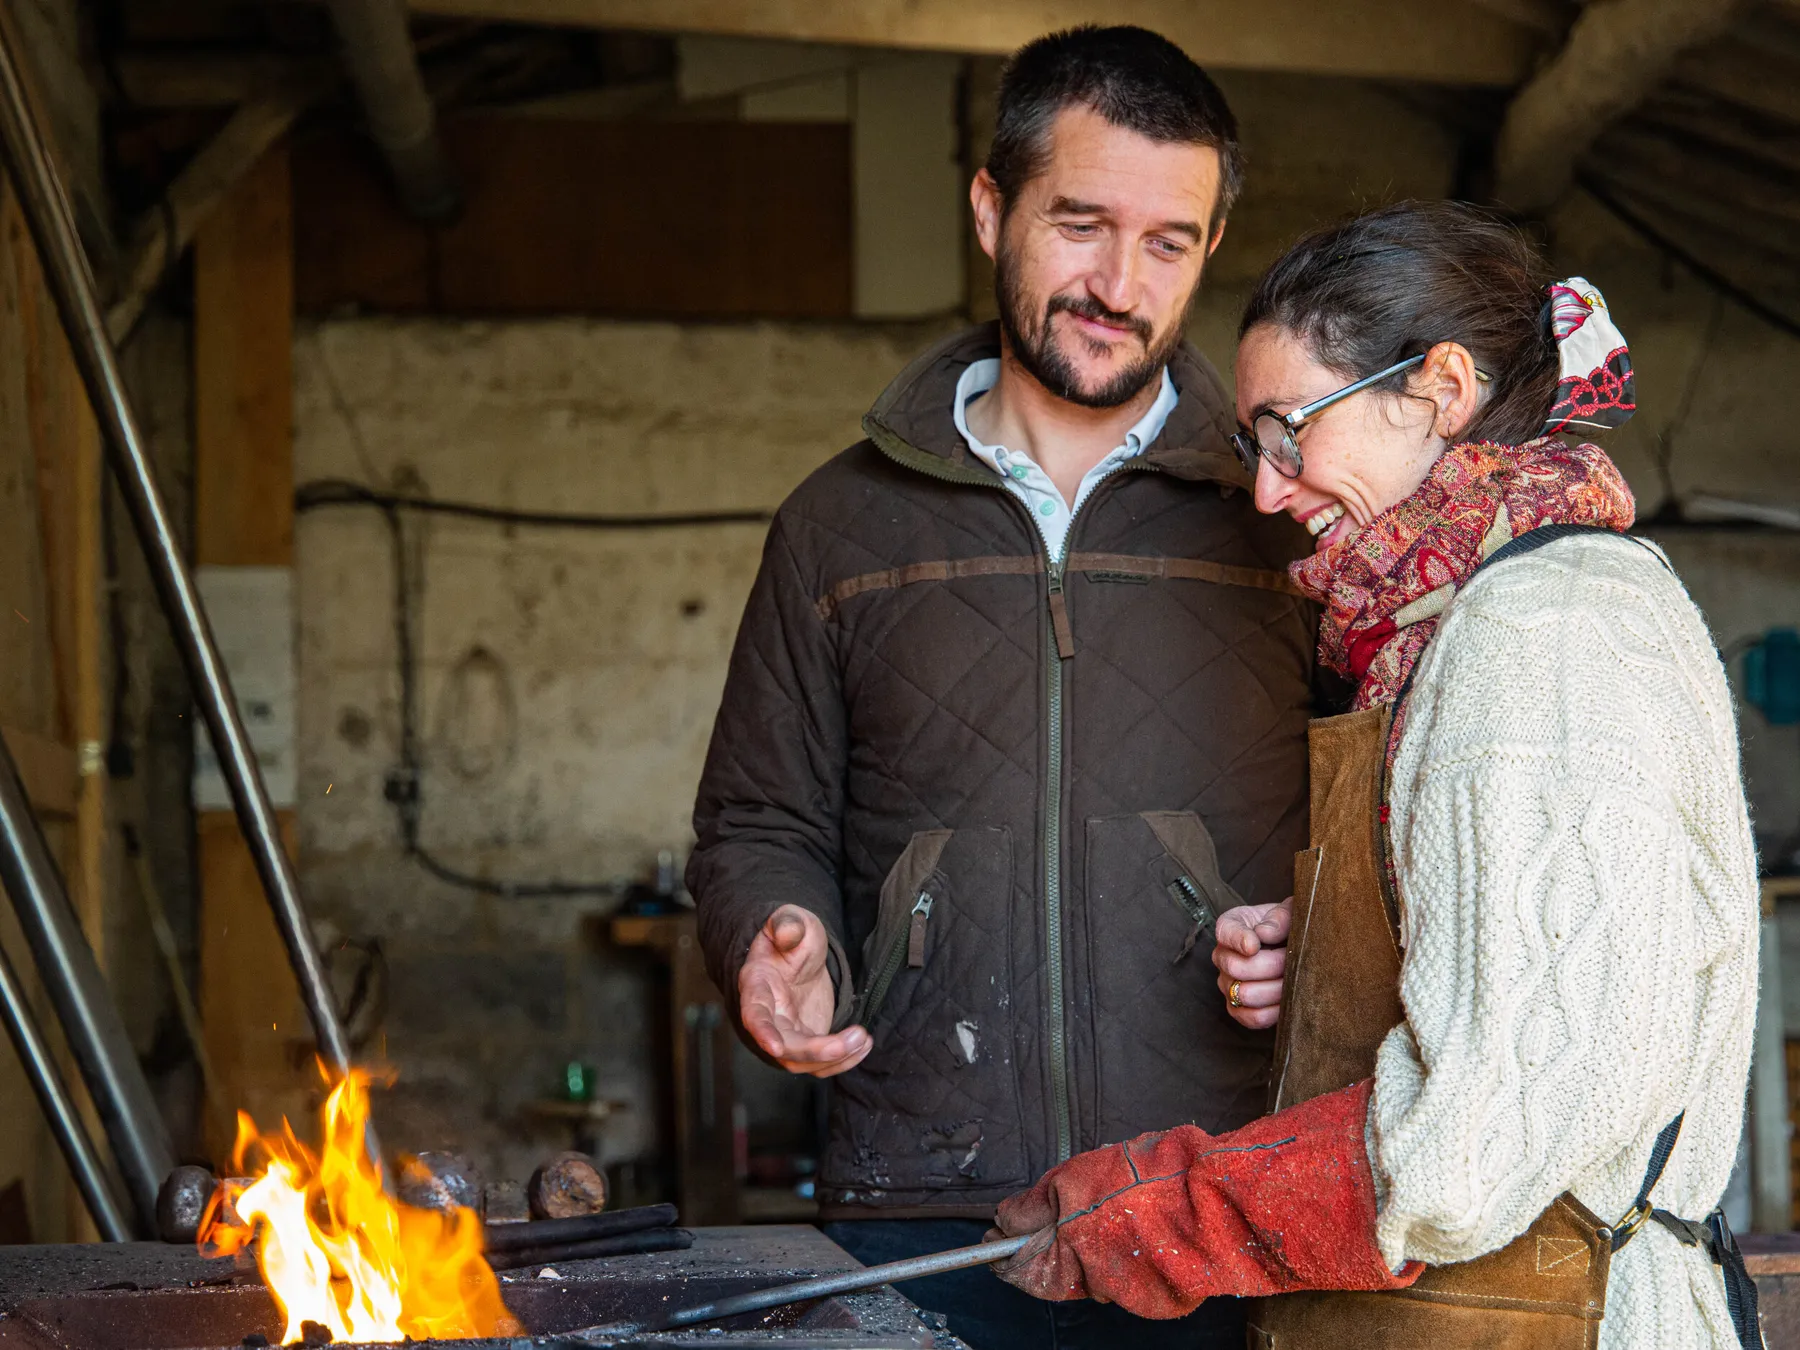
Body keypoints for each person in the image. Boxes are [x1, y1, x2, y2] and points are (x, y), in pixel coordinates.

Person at [987, 200, 1762, 1350]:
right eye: (1256, 446)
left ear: (1441, 391)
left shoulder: (1541, 631)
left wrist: (1186, 1207)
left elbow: (1485, 1132)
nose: (1267, 491)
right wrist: (1367, 936)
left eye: (1290, 432)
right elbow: (1569, 985)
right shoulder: (1478, 614)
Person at [687, 25, 1315, 1350]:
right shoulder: (836, 528)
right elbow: (757, 823)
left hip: (1224, 1191)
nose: (1119, 282)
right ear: (991, 210)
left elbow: (1401, 820)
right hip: (923, 1203)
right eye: (1081, 223)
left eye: (1168, 242)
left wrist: (1312, 925)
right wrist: (771, 932)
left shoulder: (1289, 519)